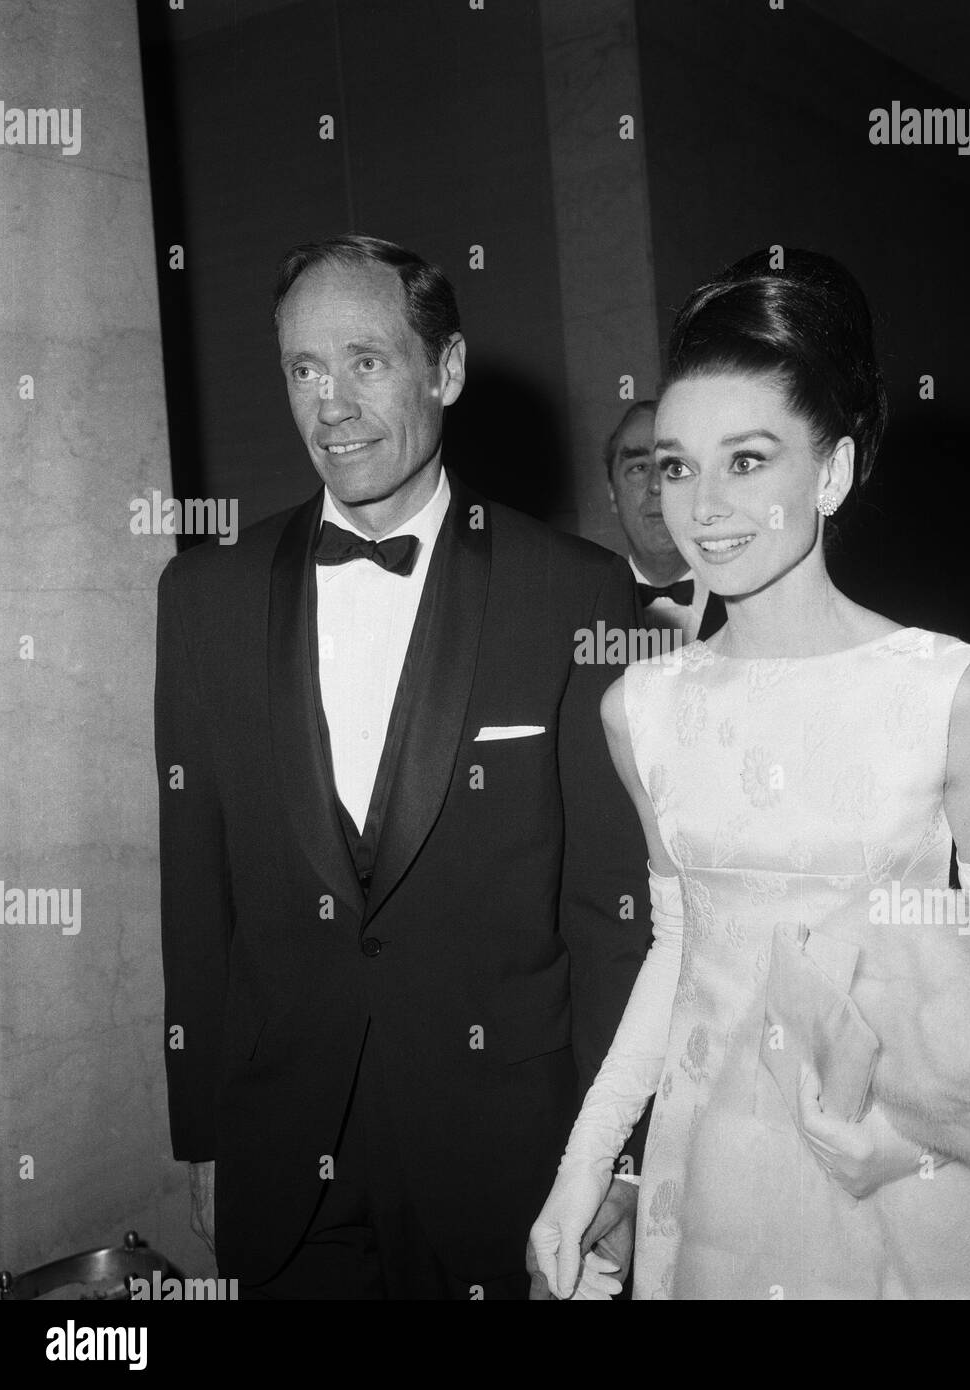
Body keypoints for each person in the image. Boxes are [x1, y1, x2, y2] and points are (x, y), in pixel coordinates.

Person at [530, 249, 970, 1300]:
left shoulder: (947, 690)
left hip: (885, 1174)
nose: (703, 506)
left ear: (836, 471)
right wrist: (589, 1159)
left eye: (749, 460)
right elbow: (680, 951)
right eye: (676, 465)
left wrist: (913, 1143)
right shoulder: (641, 709)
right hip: (699, 1167)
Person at [155, 234, 650, 1299]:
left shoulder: (575, 591)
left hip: (509, 1156)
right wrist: (201, 1129)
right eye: (302, 368)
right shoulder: (203, 596)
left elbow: (609, 910)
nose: (330, 402)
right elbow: (196, 886)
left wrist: (616, 1148)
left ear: (448, 370)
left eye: (365, 360)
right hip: (285, 1157)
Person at [605, 400, 725, 644]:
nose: (657, 486)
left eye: (675, 467)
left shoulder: (754, 601)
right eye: (638, 467)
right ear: (612, 494)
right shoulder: (584, 612)